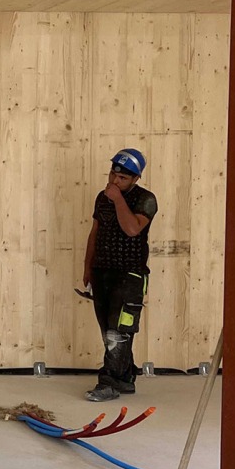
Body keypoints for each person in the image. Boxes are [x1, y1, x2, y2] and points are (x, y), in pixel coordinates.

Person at [82, 148, 157, 404]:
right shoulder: (101, 198)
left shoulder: (146, 199)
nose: (115, 181)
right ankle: (124, 377)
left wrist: (117, 199)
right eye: (113, 174)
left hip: (130, 276)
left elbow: (132, 229)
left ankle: (109, 382)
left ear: (136, 179)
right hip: (103, 272)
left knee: (119, 332)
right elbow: (95, 233)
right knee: (108, 330)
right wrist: (87, 267)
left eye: (122, 178)